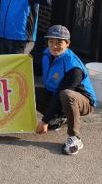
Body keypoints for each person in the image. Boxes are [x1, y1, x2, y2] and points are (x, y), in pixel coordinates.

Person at [35, 25, 97, 156]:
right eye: (51, 41)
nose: (54, 46)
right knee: (31, 92)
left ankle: (75, 138)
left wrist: (44, 121)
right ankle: (58, 120)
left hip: (84, 101)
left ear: (67, 44)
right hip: (57, 94)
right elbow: (36, 69)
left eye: (59, 42)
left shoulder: (73, 67)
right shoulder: (46, 54)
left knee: (66, 95)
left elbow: (61, 93)